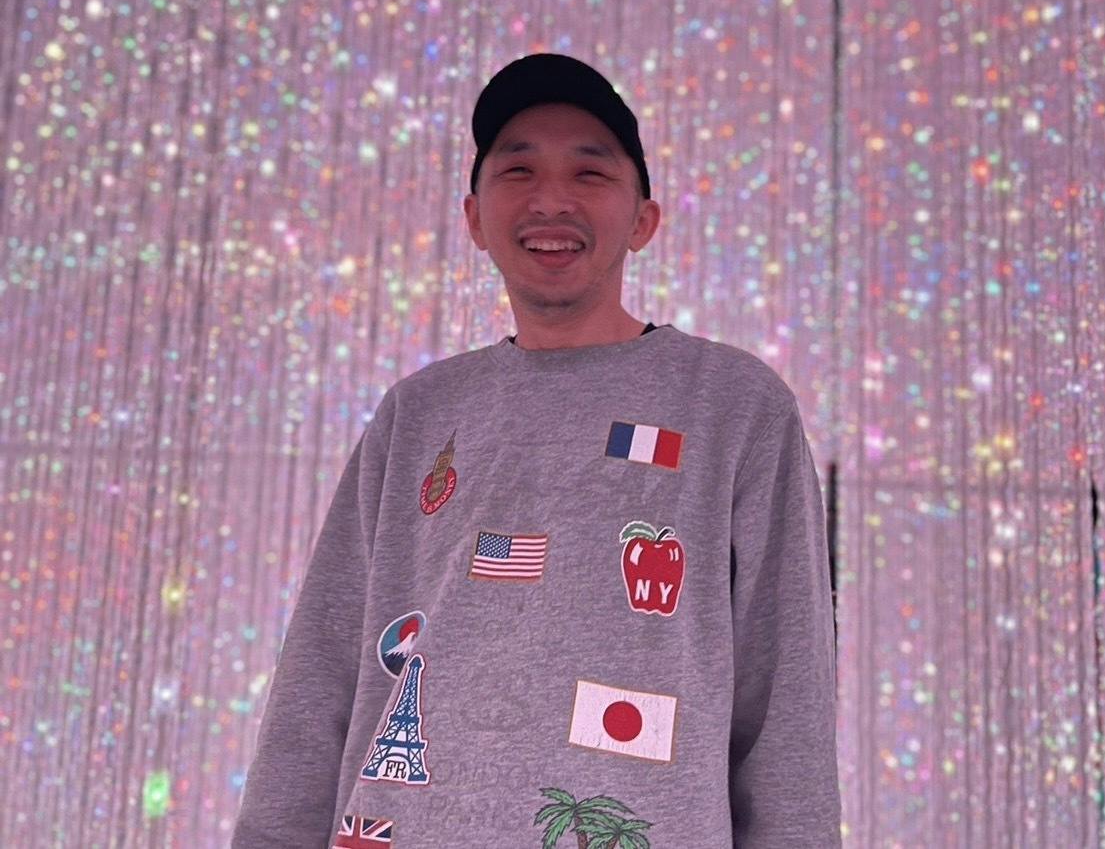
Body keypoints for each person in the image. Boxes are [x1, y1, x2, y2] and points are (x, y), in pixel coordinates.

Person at [231, 53, 842, 847]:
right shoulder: (417, 413)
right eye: (517, 169)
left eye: (589, 172)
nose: (550, 199)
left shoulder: (732, 406)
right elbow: (321, 669)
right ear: (474, 218)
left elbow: (786, 697)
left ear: (643, 219)